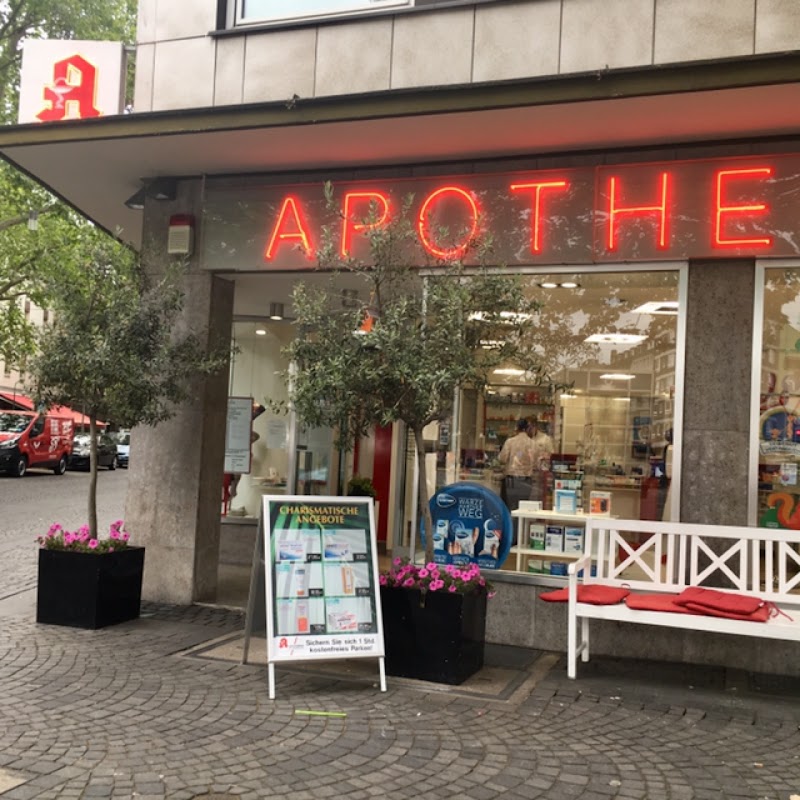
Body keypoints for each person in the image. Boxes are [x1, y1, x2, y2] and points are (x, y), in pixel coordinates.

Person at [498, 418, 536, 515]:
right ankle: (520, 528)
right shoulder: (533, 443)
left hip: (512, 479)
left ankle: (511, 529)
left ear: (517, 428)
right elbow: (536, 462)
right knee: (523, 509)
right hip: (527, 480)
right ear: (528, 429)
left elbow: (502, 459)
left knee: (509, 508)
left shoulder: (510, 442)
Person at [528, 419, 554, 502]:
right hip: (527, 473)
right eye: (527, 427)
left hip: (540, 473)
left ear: (536, 426)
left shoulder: (545, 439)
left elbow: (552, 455)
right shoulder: (524, 439)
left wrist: (544, 456)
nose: (529, 430)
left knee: (537, 498)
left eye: (531, 427)